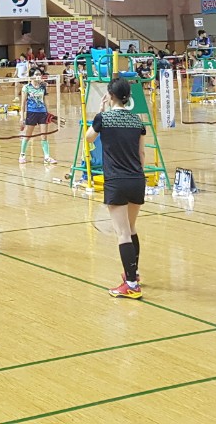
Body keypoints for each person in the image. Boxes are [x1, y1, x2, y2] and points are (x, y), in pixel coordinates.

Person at [85, 76, 147, 300]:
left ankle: (131, 284)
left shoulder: (104, 118)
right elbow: (142, 154)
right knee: (131, 228)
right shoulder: (137, 121)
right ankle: (133, 273)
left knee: (123, 233)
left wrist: (99, 112)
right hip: (137, 179)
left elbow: (89, 138)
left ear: (110, 96)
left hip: (116, 181)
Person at [18, 69, 55, 164]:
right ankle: (22, 155)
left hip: (42, 113)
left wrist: (48, 113)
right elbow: (23, 104)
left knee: (44, 136)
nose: (39, 76)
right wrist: (22, 117)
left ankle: (47, 157)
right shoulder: (26, 87)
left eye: (40, 74)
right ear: (31, 76)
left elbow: (45, 100)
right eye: (36, 74)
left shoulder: (42, 87)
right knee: (28, 135)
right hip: (31, 113)